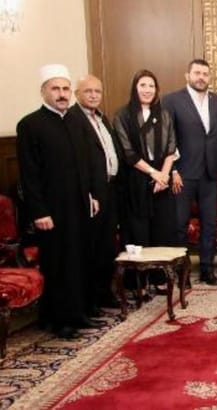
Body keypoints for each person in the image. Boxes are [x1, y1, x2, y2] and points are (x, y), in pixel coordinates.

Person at [16, 64, 102, 339]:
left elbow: (86, 164)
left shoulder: (77, 121)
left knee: (79, 260)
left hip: (79, 205)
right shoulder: (30, 125)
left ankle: (78, 314)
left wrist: (91, 195)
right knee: (59, 264)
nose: (62, 94)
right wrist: (39, 211)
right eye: (56, 89)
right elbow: (29, 174)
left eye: (65, 89)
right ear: (43, 92)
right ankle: (58, 320)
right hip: (51, 210)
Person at [163, 59, 217, 286]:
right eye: (197, 73)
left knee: (209, 224)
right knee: (179, 225)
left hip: (210, 173)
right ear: (187, 75)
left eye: (205, 74)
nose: (201, 77)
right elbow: (167, 137)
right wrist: (173, 170)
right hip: (183, 174)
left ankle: (207, 270)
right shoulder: (171, 100)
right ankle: (182, 273)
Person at [71, 74, 124, 312]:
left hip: (110, 189)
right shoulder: (73, 120)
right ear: (77, 94)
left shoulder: (102, 118)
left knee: (107, 245)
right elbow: (77, 163)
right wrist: (89, 192)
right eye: (88, 91)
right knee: (91, 246)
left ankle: (104, 293)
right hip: (92, 193)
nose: (93, 95)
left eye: (97, 91)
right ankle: (90, 299)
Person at [114, 69, 178, 254]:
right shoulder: (123, 115)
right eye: (143, 85)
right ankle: (139, 272)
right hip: (136, 180)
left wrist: (164, 175)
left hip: (162, 182)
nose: (147, 89)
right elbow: (128, 152)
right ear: (135, 88)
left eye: (151, 86)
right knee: (138, 232)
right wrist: (154, 173)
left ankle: (160, 271)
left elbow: (171, 147)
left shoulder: (164, 114)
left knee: (163, 231)